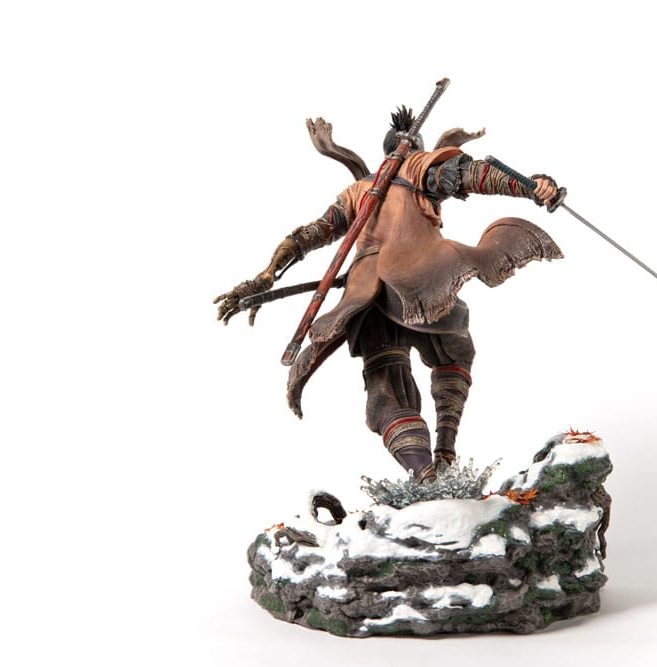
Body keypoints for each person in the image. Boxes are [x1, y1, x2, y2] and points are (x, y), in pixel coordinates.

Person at [214, 107, 562, 482]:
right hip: (422, 287)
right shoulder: (418, 168)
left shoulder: (358, 191)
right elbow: (472, 175)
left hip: (366, 300)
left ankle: (429, 470)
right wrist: (531, 187)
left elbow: (308, 236)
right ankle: (442, 459)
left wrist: (266, 275)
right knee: (452, 355)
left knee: (389, 385)